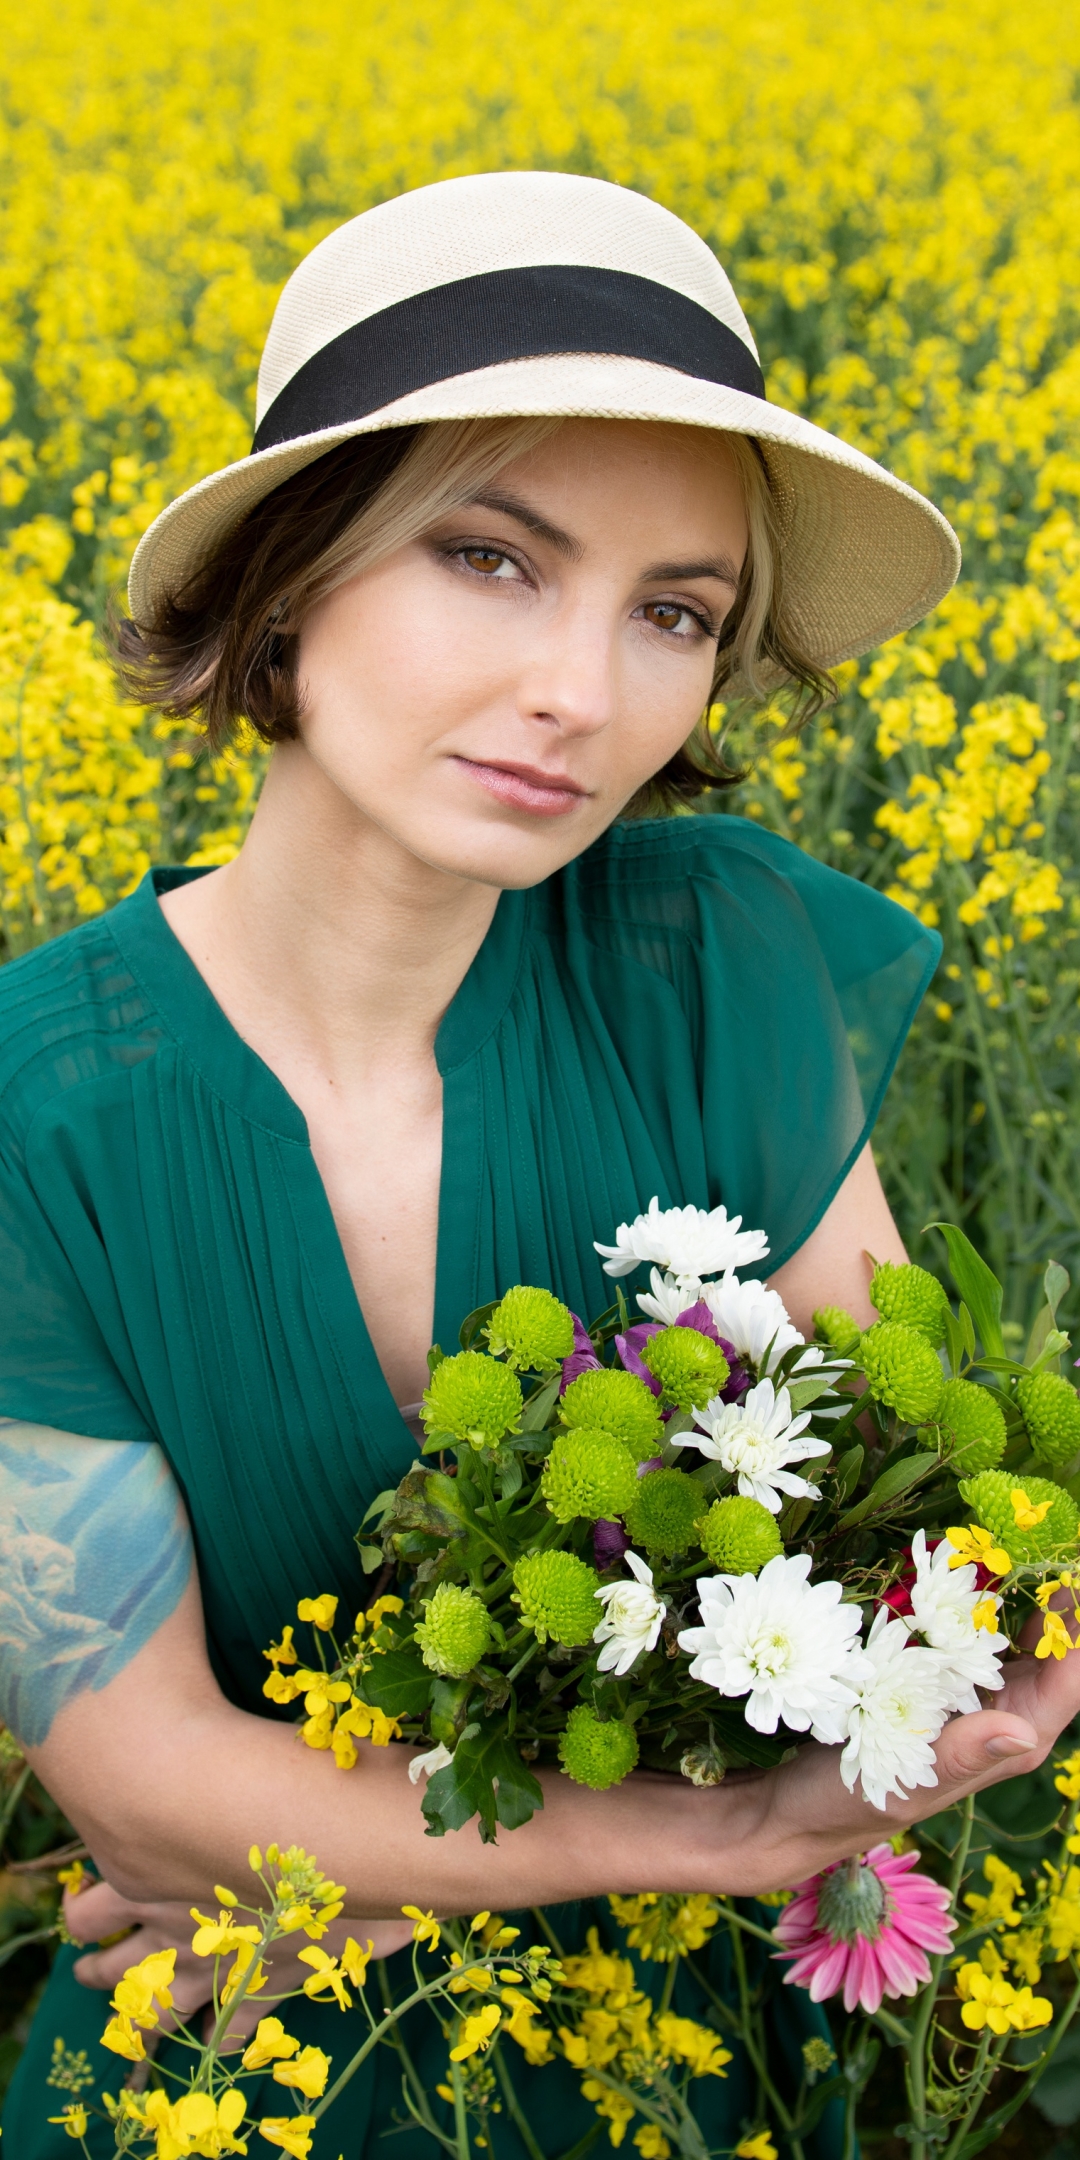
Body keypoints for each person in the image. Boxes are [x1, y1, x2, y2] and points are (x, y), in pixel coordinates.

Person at [1, 170, 1074, 2160]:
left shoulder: (719, 952)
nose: (590, 692)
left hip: (707, 2062)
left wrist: (1008, 1651)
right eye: (493, 560)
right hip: (244, 2075)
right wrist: (728, 1831)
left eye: (676, 612)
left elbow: (924, 1518)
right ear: (297, 570)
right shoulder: (25, 1106)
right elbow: (145, 1791)